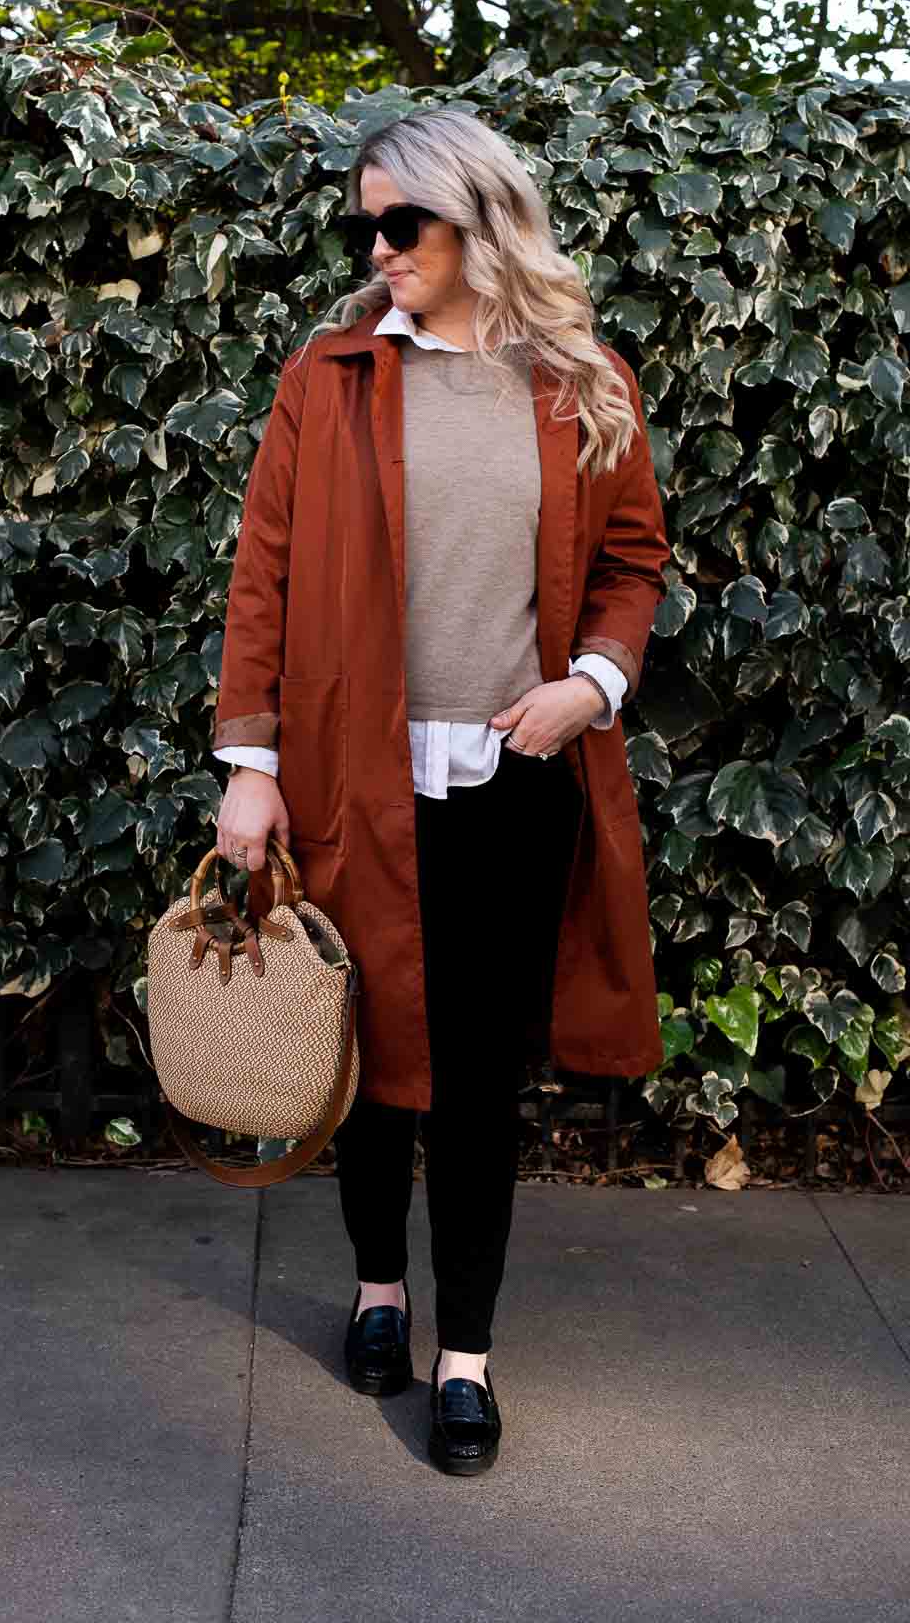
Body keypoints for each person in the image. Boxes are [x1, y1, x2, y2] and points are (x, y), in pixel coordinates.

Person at [210, 108, 671, 1476]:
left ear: (476, 222)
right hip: (358, 774)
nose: (379, 247)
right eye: (366, 224)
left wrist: (594, 680)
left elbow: (634, 560)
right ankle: (377, 1294)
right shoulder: (332, 377)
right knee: (367, 1062)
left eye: (401, 223)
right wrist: (250, 767)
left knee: (477, 1078)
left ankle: (463, 1358)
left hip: (516, 778)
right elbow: (264, 576)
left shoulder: (581, 379)